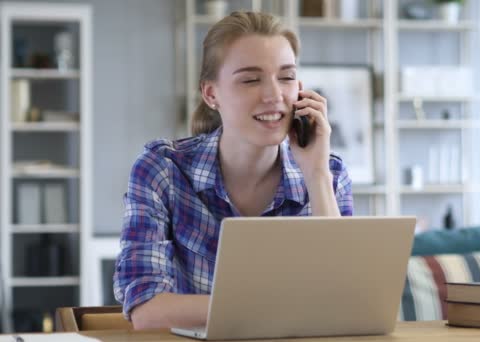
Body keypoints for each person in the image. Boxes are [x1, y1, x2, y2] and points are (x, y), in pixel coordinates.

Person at [113, 11, 353, 330]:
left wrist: (317, 175)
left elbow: (348, 302)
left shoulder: (329, 174)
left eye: (286, 77)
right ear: (212, 94)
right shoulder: (162, 170)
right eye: (251, 79)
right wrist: (285, 308)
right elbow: (146, 310)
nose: (274, 95)